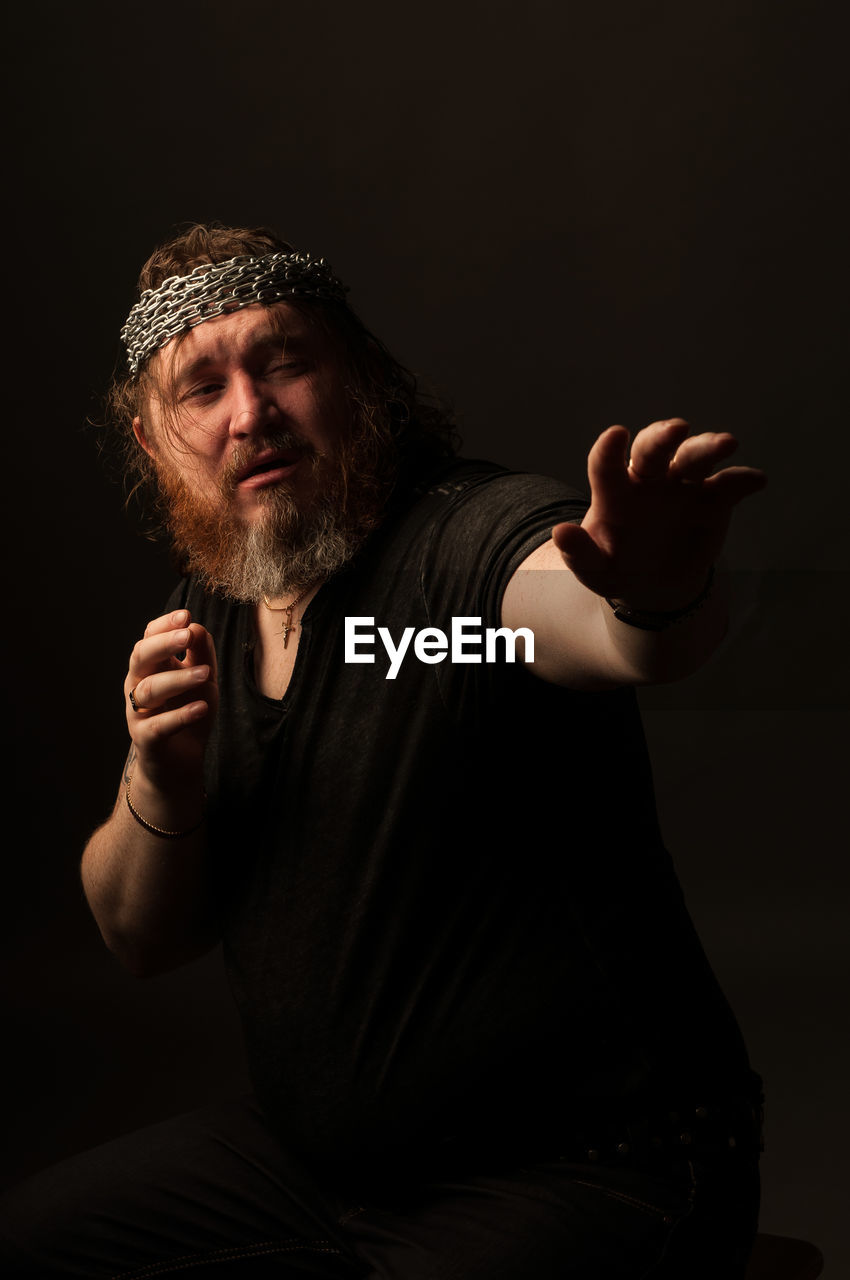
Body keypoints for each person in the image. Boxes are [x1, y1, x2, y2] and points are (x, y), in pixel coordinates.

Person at [0, 223, 767, 1278]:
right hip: (320, 1170)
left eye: (285, 361)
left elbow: (593, 620)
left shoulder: (457, 547)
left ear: (361, 378)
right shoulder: (207, 611)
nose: (250, 412)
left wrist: (650, 587)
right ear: (153, 443)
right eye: (202, 387)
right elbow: (138, 936)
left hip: (587, 1166)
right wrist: (159, 778)